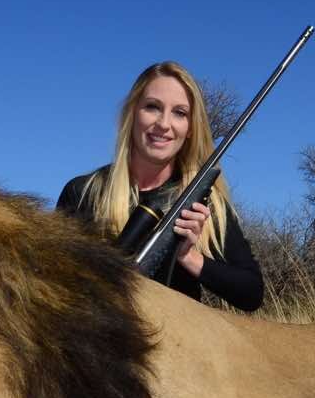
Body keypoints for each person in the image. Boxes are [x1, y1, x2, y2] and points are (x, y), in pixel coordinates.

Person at [57, 61, 264, 312]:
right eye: (153, 107)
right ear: (132, 114)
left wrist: (188, 256)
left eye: (179, 113)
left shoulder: (207, 205)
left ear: (190, 128)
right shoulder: (82, 192)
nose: (164, 124)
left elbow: (252, 293)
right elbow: (56, 284)